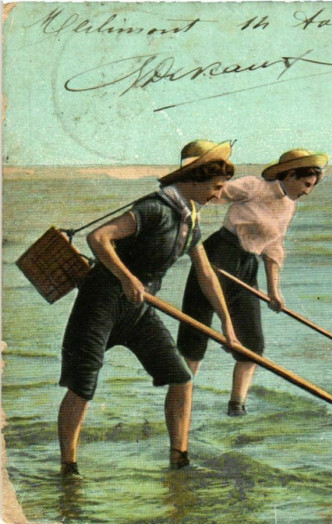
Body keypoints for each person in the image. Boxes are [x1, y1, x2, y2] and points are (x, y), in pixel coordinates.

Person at [57, 139, 240, 475]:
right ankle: (69, 467)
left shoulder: (190, 219)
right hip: (101, 301)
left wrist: (227, 324)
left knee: (181, 377)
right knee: (83, 383)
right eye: (216, 187)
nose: (218, 195)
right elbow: (98, 238)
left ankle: (179, 459)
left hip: (137, 308)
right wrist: (127, 278)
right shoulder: (154, 209)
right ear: (195, 179)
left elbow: (205, 274)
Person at [177, 149, 328, 416]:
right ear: (291, 174)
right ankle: (181, 401)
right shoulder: (254, 187)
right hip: (218, 255)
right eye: (306, 184)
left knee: (252, 345)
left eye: (312, 187)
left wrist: (274, 291)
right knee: (196, 333)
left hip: (247, 266)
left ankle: (237, 407)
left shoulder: (290, 206)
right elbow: (211, 194)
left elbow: (273, 247)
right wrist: (187, 219)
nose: (307, 192)